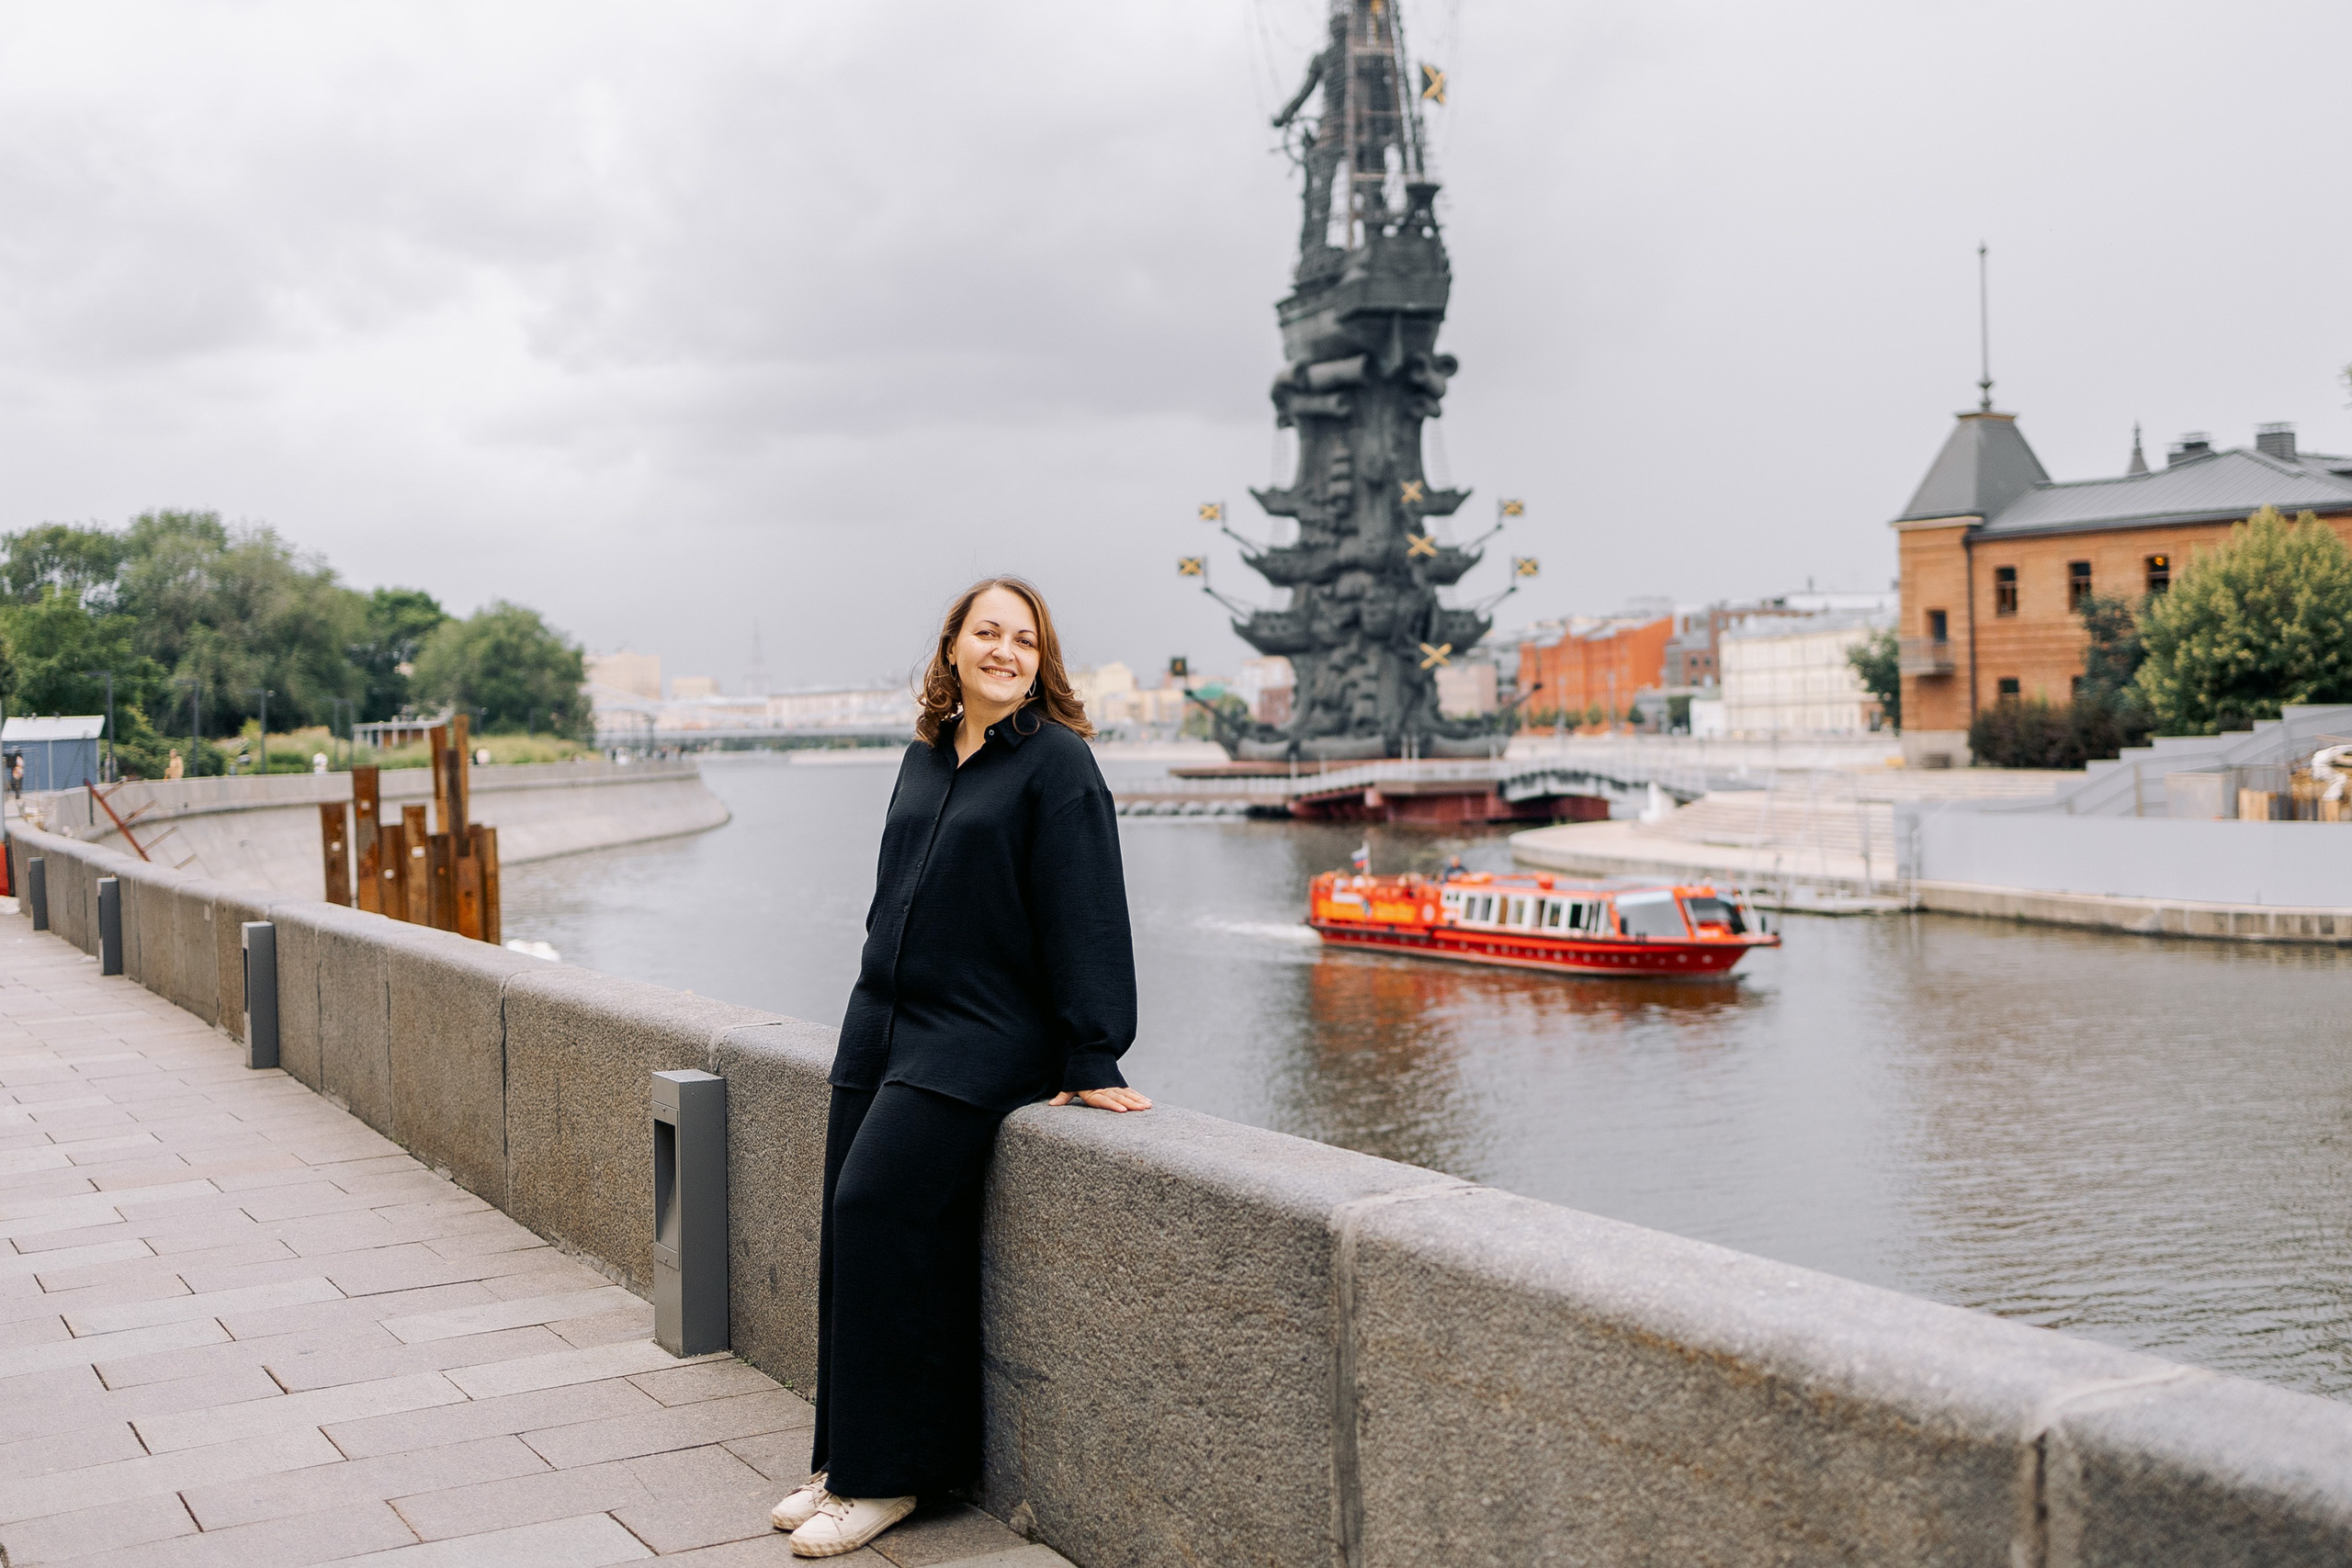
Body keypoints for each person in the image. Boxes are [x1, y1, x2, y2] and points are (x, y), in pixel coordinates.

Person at [772, 576, 1152, 1558]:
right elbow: (891, 892)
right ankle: (845, 1457)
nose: (1004, 651)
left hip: (981, 1035)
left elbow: (1088, 909)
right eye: (987, 632)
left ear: (1041, 663)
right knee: (847, 1234)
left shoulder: (1057, 764)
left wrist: (1091, 1046)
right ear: (950, 649)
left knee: (877, 1210)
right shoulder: (926, 758)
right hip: (883, 1026)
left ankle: (885, 1480)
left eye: (1024, 640)